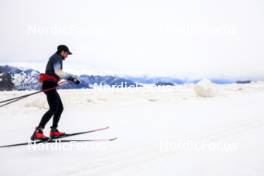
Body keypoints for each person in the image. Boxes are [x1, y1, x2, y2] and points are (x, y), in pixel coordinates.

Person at [31, 45, 80, 140]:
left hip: (50, 85)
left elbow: (57, 73)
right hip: (49, 85)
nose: (67, 56)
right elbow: (59, 72)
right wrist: (72, 78)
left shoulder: (56, 58)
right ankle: (38, 132)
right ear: (62, 52)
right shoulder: (57, 58)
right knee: (53, 108)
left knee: (59, 108)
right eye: (66, 53)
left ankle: (54, 131)